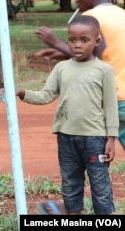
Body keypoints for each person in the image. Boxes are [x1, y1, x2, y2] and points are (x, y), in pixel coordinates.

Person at [10, 15, 117, 215]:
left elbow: (111, 106)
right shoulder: (61, 68)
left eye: (84, 40)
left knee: (100, 185)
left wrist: (111, 138)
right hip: (66, 138)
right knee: (70, 183)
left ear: (97, 41)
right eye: (72, 40)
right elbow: (46, 95)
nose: (77, 45)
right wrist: (23, 92)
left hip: (95, 139)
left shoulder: (104, 70)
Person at [35, 0, 125, 152]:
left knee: (94, 150)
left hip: (112, 95)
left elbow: (96, 56)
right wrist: (61, 54)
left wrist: (56, 43)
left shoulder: (91, 18)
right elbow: (109, 51)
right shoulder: (120, 14)